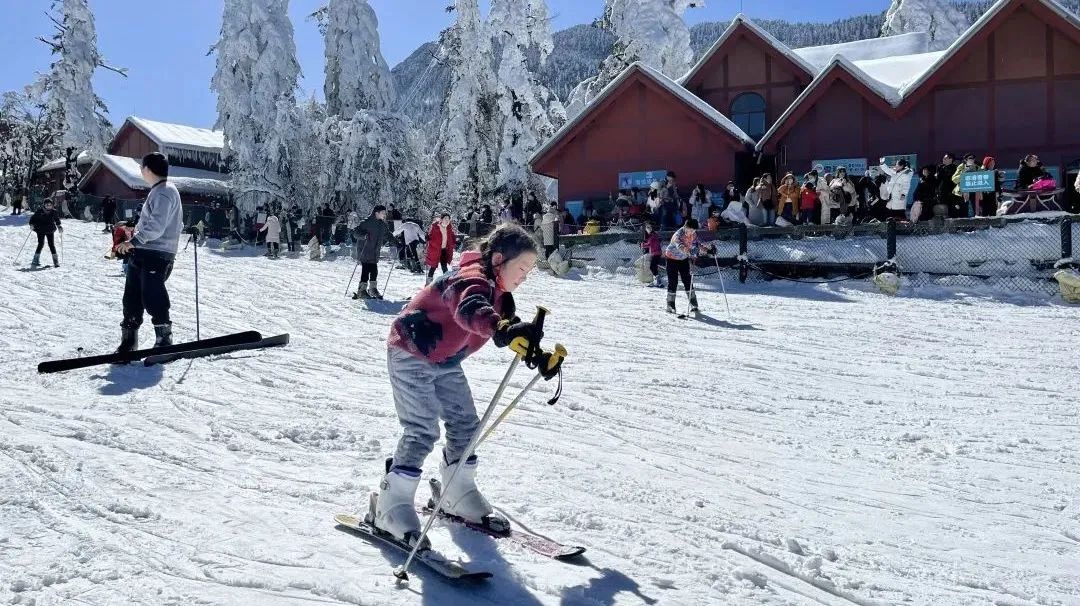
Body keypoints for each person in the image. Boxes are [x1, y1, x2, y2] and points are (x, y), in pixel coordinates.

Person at [373, 223, 556, 545]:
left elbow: (503, 327)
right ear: (499, 259)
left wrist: (535, 354)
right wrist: (500, 328)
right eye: (522, 268)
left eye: (530, 271)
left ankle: (456, 492)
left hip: (444, 360)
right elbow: (471, 309)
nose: (525, 276)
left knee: (466, 425)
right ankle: (390, 506)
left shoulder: (500, 293)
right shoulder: (469, 278)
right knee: (422, 428)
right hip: (411, 350)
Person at [114, 153, 183, 351]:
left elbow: (157, 226)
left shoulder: (164, 192)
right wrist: (131, 234)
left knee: (152, 295)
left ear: (147, 169)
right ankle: (129, 340)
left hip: (157, 254)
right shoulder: (159, 191)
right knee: (132, 297)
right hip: (143, 251)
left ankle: (164, 338)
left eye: (141, 168)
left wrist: (135, 240)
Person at [663, 218, 714, 314]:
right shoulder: (678, 235)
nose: (692, 232)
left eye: (694, 230)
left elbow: (698, 245)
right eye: (690, 230)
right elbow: (680, 246)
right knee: (673, 281)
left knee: (687, 280)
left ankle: (693, 303)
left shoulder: (693, 234)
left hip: (683, 259)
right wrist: (689, 251)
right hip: (671, 259)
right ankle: (670, 304)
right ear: (685, 227)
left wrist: (708, 251)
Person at [352, 205, 391, 299]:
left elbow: (388, 235)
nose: (384, 215)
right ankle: (362, 290)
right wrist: (363, 236)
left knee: (374, 271)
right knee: (365, 270)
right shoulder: (366, 222)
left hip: (374, 252)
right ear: (376, 213)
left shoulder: (382, 225)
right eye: (383, 213)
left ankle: (373, 289)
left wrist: (397, 243)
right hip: (365, 250)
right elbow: (355, 233)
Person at [29, 197, 62, 268]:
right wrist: (32, 225)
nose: (49, 206)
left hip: (50, 230)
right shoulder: (39, 211)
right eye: (47, 205)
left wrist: (59, 226)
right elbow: (33, 219)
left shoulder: (54, 212)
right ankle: (35, 260)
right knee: (41, 244)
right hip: (40, 229)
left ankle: (55, 261)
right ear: (44, 205)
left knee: (51, 244)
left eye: (50, 205)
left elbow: (57, 220)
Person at [425, 213, 456, 286]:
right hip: (436, 250)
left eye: (448, 219)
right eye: (445, 219)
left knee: (444, 266)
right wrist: (428, 237)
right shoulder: (436, 227)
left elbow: (452, 237)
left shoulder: (449, 228)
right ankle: (428, 283)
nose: (447, 220)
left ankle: (447, 282)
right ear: (441, 219)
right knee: (433, 266)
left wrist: (455, 241)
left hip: (444, 250)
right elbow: (430, 235)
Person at [935, 153, 962, 217]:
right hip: (941, 193)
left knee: (951, 210)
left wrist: (941, 171)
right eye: (943, 158)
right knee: (942, 210)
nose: (943, 159)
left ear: (950, 159)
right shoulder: (940, 167)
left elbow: (950, 179)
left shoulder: (955, 168)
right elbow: (938, 180)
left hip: (951, 193)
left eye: (945, 158)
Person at [642, 221, 663, 287]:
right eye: (647, 227)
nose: (648, 229)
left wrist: (642, 245)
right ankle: (656, 281)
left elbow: (649, 243)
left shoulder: (653, 235)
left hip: (656, 253)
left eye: (649, 227)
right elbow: (650, 244)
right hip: (655, 253)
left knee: (652, 267)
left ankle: (658, 281)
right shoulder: (652, 235)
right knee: (654, 267)